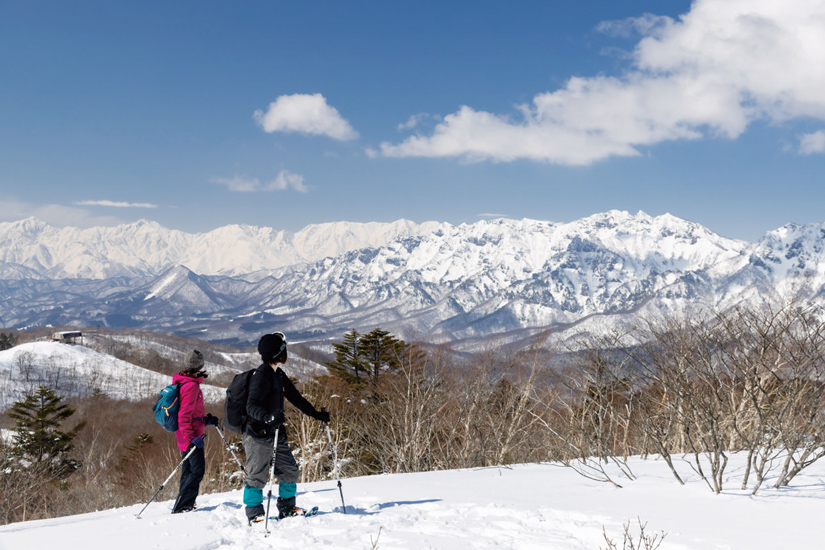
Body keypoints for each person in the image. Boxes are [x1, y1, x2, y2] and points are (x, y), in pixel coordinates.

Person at [242, 332, 330, 524]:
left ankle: (287, 508)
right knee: (257, 476)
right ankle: (255, 515)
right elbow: (251, 405)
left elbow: (296, 398)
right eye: (284, 349)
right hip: (258, 435)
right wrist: (267, 417)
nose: (286, 352)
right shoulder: (262, 375)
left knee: (289, 471)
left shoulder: (278, 374)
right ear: (278, 353)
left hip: (276, 433)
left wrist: (316, 414)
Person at [171, 349, 219, 513]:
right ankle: (184, 505)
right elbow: (184, 415)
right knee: (197, 470)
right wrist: (191, 438)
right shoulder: (191, 386)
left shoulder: (183, 382)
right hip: (190, 436)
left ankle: (183, 503)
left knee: (188, 470)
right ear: (200, 366)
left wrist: (205, 421)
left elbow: (190, 415)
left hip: (186, 434)